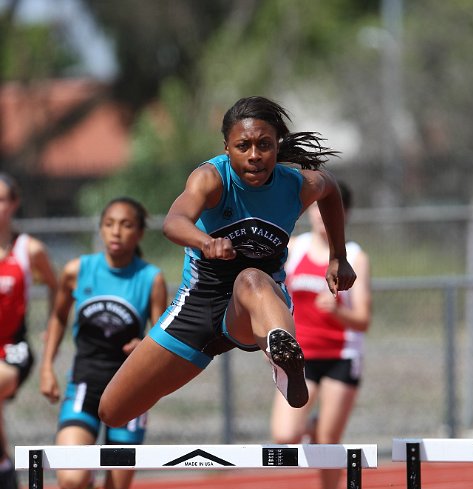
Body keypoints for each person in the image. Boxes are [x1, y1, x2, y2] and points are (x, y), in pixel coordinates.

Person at [98, 96, 357, 435]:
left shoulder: (295, 186)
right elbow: (174, 221)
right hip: (198, 308)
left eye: (264, 145)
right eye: (243, 146)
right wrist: (206, 242)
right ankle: (273, 351)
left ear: (277, 147)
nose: (254, 156)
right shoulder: (211, 179)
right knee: (112, 411)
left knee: (251, 279)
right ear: (227, 148)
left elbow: (331, 189)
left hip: (255, 308)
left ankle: (285, 360)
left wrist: (338, 255)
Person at [40, 197, 167, 489]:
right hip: (85, 385)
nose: (116, 232)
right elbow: (58, 316)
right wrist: (47, 366)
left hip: (131, 394)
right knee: (71, 478)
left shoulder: (151, 279)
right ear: (101, 228)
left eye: (126, 225)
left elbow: (167, 335)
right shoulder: (78, 271)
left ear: (139, 232)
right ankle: (83, 485)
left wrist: (144, 345)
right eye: (110, 223)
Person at [270, 181, 372, 489]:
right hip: (302, 357)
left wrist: (339, 311)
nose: (321, 216)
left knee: (329, 441)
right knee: (284, 435)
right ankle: (309, 425)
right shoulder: (294, 250)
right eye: (315, 208)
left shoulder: (355, 257)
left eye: (329, 211)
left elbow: (364, 320)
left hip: (341, 357)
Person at [0, 172, 58, 489]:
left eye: (3, 199)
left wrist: (52, 326)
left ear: (14, 203)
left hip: (13, 349)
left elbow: (57, 287)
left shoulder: (29, 249)